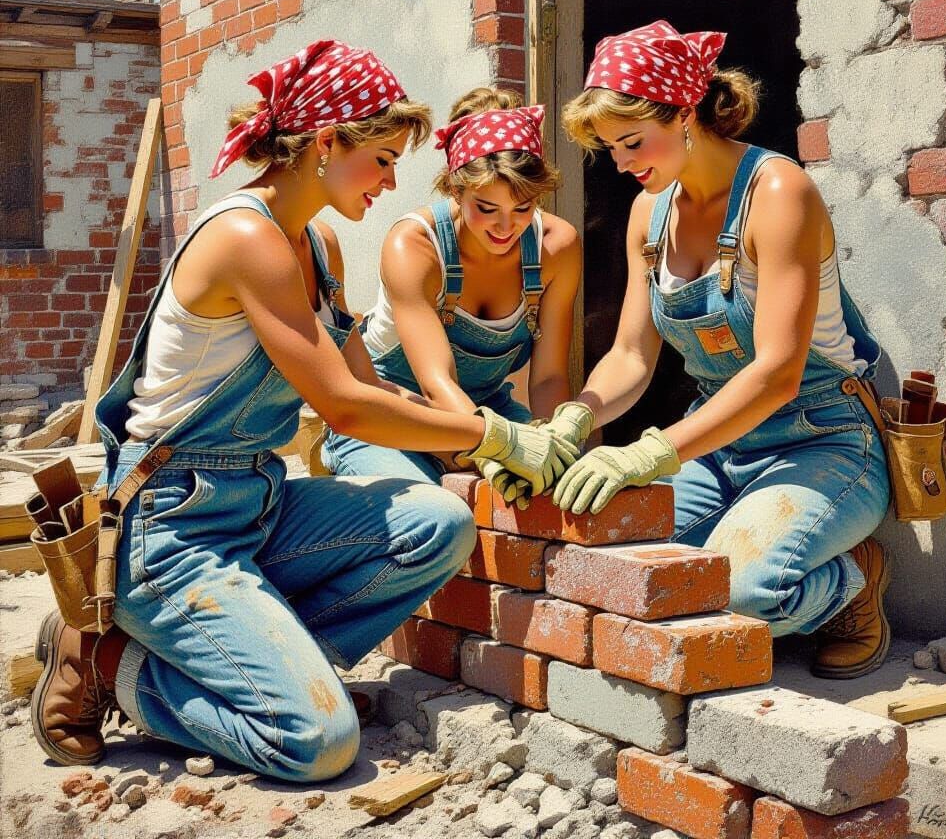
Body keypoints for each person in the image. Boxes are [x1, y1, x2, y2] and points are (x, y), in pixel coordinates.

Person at [30, 41, 576, 780]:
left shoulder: (317, 244)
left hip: (256, 503)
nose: (391, 180)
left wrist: (506, 438)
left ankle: (258, 670)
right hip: (169, 525)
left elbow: (371, 384)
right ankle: (112, 660)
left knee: (437, 525)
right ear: (324, 144)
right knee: (318, 744)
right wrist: (494, 434)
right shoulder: (246, 237)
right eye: (382, 157)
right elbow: (347, 410)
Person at [550, 21, 892, 679]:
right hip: (718, 444)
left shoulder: (777, 192)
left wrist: (651, 452)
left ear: (683, 114)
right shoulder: (650, 213)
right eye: (608, 148)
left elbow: (775, 375)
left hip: (823, 437)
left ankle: (852, 585)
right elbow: (629, 354)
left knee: (733, 592)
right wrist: (579, 417)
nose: (621, 164)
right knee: (622, 562)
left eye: (630, 141)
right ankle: (751, 547)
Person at [321, 87, 582, 501]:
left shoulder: (556, 247)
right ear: (455, 190)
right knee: (431, 508)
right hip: (393, 413)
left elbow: (550, 377)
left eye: (522, 208)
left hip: (488, 408)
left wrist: (549, 444)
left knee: (562, 493)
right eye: (487, 207)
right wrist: (496, 447)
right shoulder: (414, 246)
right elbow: (435, 382)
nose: (505, 227)